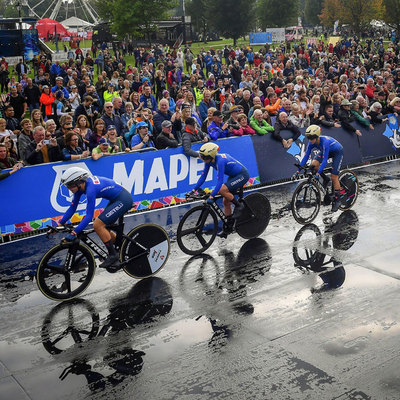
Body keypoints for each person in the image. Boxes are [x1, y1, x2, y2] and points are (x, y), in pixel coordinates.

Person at [59, 167, 133, 270]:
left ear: (79, 182)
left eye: (70, 185)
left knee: (98, 225)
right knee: (104, 226)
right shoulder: (80, 188)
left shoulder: (90, 189)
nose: (69, 188)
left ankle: (113, 255)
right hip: (116, 199)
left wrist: (74, 232)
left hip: (124, 199)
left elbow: (89, 216)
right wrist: (60, 224)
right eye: (67, 186)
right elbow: (72, 208)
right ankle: (120, 246)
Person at [190, 142, 249, 236]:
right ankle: (228, 228)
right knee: (226, 202)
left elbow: (220, 181)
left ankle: (239, 205)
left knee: (222, 190)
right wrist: (193, 190)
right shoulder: (209, 161)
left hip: (242, 175)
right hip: (233, 176)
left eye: (204, 157)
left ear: (211, 156)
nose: (203, 159)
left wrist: (211, 196)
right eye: (202, 156)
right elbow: (203, 176)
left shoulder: (220, 161)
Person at [295, 125, 345, 212]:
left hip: (337, 152)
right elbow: (306, 156)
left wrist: (318, 174)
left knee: (334, 176)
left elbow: (325, 160)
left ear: (317, 136)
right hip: (327, 151)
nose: (310, 140)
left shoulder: (324, 142)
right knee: (314, 164)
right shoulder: (311, 143)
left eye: (312, 138)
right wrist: (298, 170)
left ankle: (337, 200)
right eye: (308, 138)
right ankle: (325, 178)